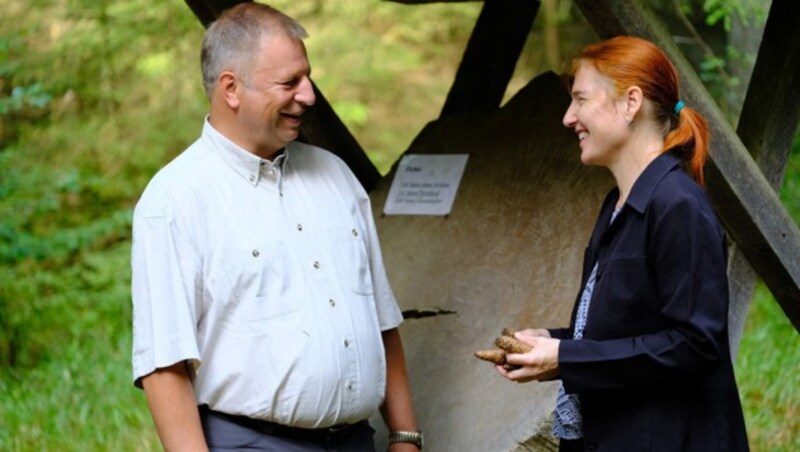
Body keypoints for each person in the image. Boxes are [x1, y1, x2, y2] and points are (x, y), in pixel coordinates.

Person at [131, 3, 421, 451]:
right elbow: (164, 364)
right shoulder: (175, 199)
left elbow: (381, 318)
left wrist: (405, 437)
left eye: (307, 77)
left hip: (357, 441)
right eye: (289, 82)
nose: (308, 95)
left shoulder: (336, 176)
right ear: (231, 88)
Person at [495, 36, 749, 451]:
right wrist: (550, 342)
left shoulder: (678, 205)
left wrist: (566, 356)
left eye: (580, 99)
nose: (567, 117)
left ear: (631, 103)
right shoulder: (617, 203)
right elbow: (630, 328)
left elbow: (695, 345)